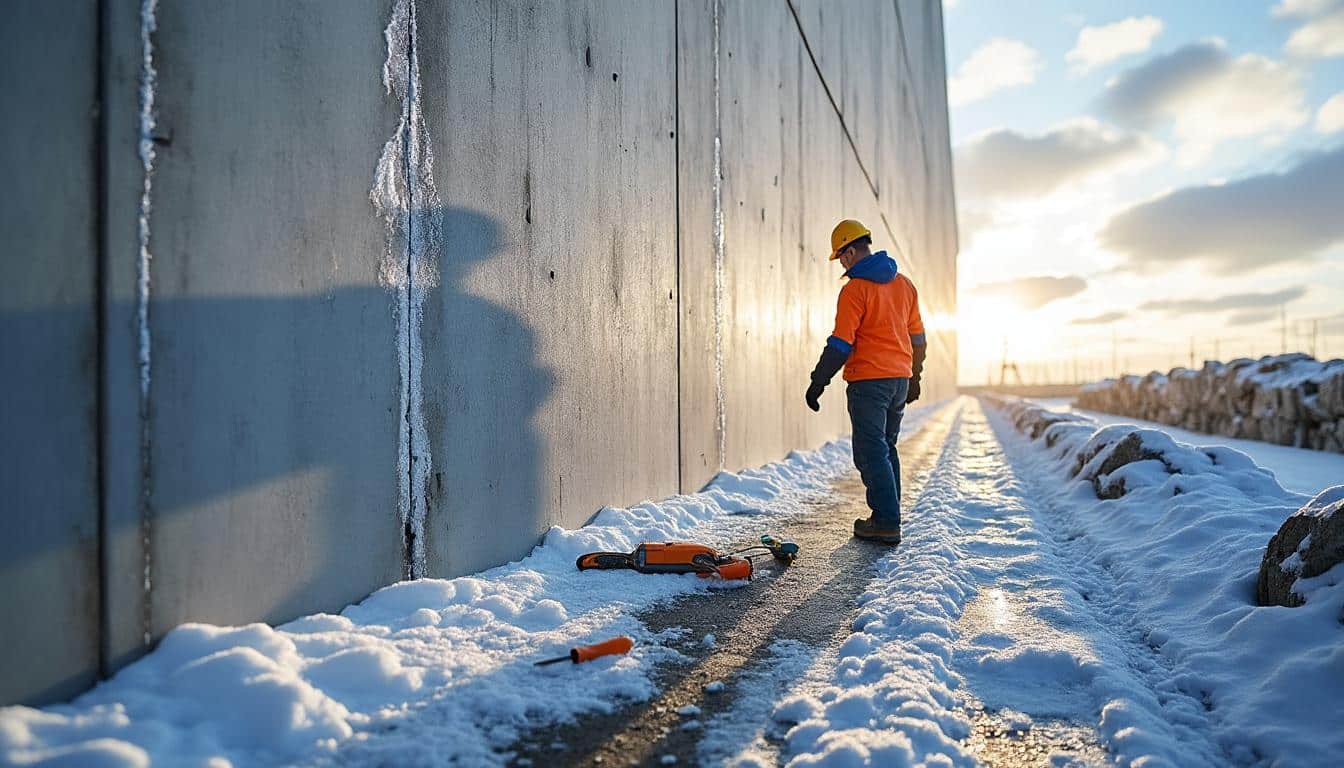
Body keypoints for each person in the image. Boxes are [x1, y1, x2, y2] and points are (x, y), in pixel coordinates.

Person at [805, 219, 927, 544]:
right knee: (886, 448)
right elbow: (918, 337)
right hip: (899, 379)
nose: (841, 263)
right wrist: (914, 377)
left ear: (853, 249)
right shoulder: (905, 285)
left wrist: (818, 381)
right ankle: (889, 516)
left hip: (869, 383)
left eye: (842, 255)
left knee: (870, 451)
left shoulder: (854, 290)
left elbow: (841, 343)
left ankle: (886, 521)